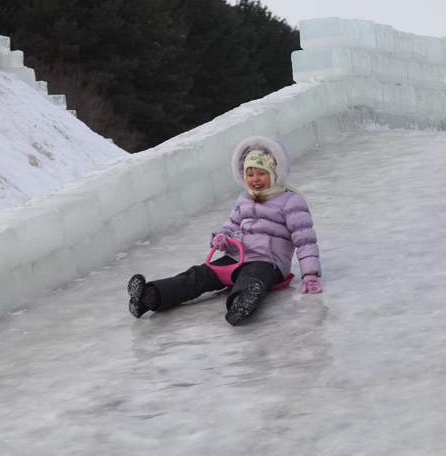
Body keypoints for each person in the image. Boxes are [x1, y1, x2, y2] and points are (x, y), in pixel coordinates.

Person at [127, 136, 323, 326]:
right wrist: (221, 237)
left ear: (274, 173)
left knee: (252, 278)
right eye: (250, 173)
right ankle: (150, 296)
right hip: (236, 256)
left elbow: (304, 239)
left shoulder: (291, 201)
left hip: (268, 261)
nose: (255, 179)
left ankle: (241, 303)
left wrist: (310, 275)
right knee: (200, 274)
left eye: (261, 173)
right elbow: (231, 225)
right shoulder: (244, 200)